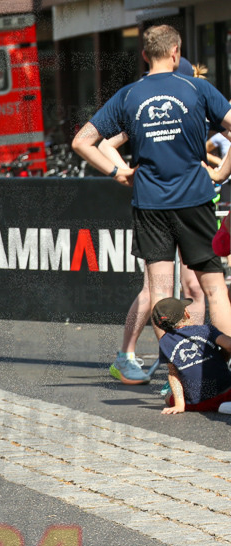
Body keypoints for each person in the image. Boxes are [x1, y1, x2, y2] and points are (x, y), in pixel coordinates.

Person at [72, 25, 231, 359]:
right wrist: (220, 172)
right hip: (196, 199)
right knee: (215, 289)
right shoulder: (197, 87)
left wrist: (117, 172)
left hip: (150, 203)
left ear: (144, 55)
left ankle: (177, 373)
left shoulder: (129, 95)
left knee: (160, 292)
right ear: (176, 51)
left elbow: (82, 141)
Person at [100, 58, 206, 384]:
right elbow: (104, 142)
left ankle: (193, 360)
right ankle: (125, 355)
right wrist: (123, 171)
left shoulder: (196, 106)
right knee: (153, 291)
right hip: (157, 206)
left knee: (193, 286)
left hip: (192, 202)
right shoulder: (150, 110)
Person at [151, 297, 231, 413]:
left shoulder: (164, 342)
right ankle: (223, 406)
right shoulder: (205, 330)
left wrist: (179, 405)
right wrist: (223, 356)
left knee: (168, 398)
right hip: (226, 392)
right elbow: (228, 345)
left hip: (199, 404)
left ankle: (219, 407)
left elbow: (173, 375)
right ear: (186, 313)